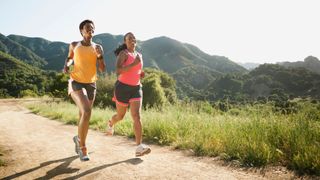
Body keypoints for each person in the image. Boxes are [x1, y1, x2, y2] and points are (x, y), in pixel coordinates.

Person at [63, 19, 106, 161]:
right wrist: (67, 65)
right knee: (87, 111)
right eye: (87, 28)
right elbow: (70, 58)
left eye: (92, 28)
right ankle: (83, 147)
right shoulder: (74, 45)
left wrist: (100, 55)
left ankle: (78, 139)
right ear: (81, 31)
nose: (90, 29)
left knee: (83, 115)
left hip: (91, 83)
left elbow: (102, 68)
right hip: (76, 81)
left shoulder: (98, 47)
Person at [106, 32, 151, 157]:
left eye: (133, 38)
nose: (132, 40)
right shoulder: (123, 53)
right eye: (129, 38)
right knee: (120, 116)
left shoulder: (139, 55)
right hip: (122, 88)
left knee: (136, 116)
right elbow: (118, 70)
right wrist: (134, 64)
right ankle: (110, 123)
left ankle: (139, 147)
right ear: (125, 42)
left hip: (136, 88)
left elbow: (137, 69)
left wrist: (141, 73)